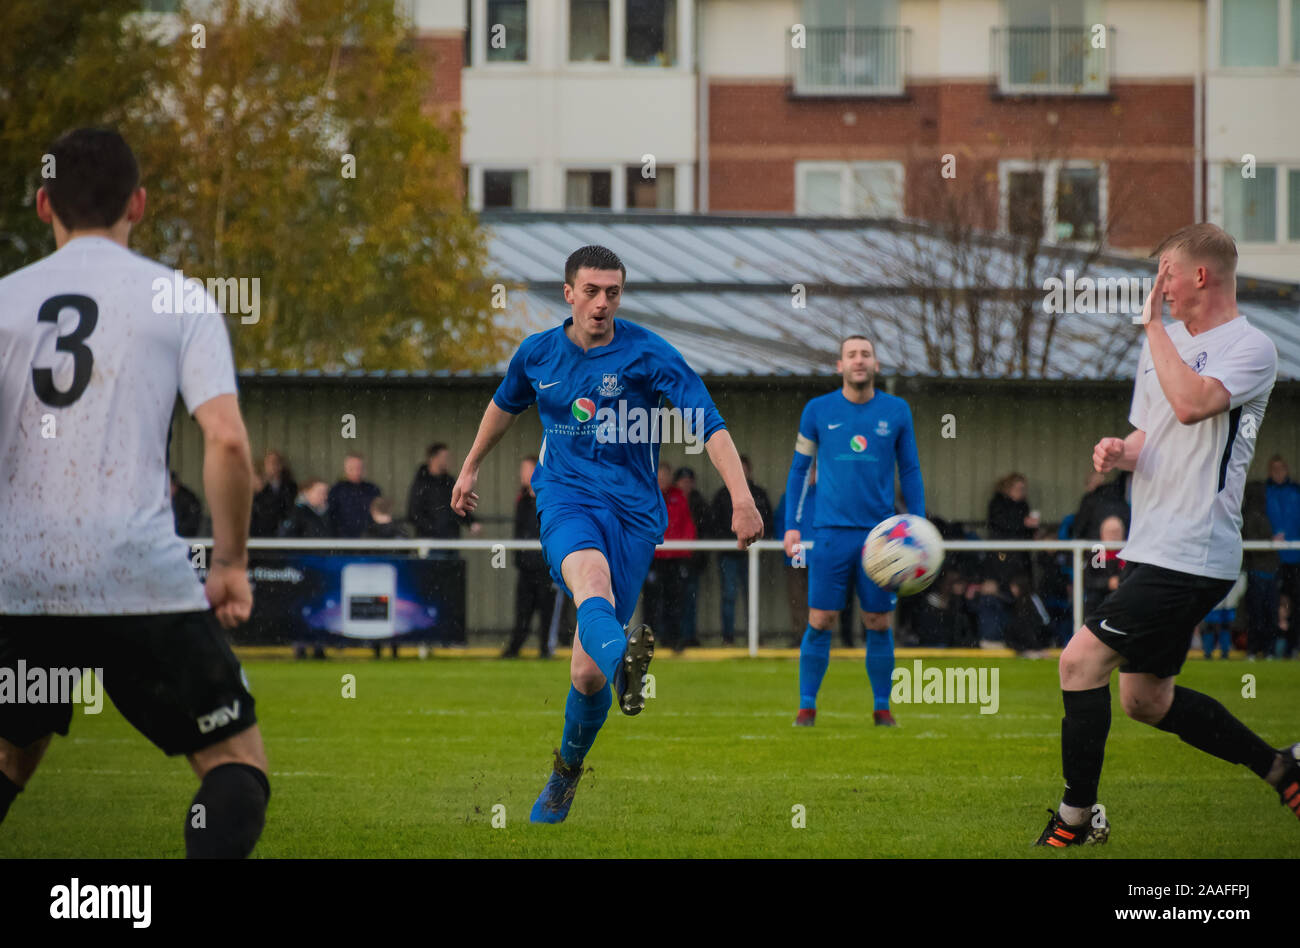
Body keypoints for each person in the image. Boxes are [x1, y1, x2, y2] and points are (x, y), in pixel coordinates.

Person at [0, 128, 269, 857]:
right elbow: (228, 440)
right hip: (137, 575)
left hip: (20, 584)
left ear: (43, 203)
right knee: (235, 767)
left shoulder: (5, 302)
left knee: (10, 755)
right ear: (140, 204)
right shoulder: (178, 299)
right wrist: (231, 564)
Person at [450, 245, 762, 823]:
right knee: (588, 577)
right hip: (566, 497)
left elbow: (709, 423)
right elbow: (503, 405)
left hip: (635, 516)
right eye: (591, 291)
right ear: (567, 293)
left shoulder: (648, 354)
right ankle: (627, 668)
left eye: (612, 292)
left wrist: (742, 498)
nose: (601, 303)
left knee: (584, 672)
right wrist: (469, 467)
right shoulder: (538, 353)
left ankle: (565, 774)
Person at [1036, 222, 1299, 848]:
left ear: (1199, 277)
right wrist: (1118, 451)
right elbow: (1153, 435)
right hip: (1153, 548)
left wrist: (1152, 325)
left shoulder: (1251, 347)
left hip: (1195, 550)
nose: (1161, 288)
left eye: (1166, 275)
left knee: (1079, 661)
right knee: (1146, 700)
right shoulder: (1163, 343)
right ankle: (1281, 767)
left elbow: (1191, 405)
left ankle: (1077, 818)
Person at [782, 335, 925, 728]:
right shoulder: (817, 410)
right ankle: (806, 708)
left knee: (878, 622)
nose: (859, 361)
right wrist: (791, 526)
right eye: (851, 355)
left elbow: (910, 470)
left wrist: (919, 522)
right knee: (821, 617)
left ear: (876, 365)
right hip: (829, 533)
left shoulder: (897, 411)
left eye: (865, 354)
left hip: (881, 538)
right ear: (839, 365)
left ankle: (882, 708)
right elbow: (798, 470)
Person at [712, 455, 773, 646]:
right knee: (729, 596)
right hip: (729, 556)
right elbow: (714, 525)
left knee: (751, 595)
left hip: (751, 555)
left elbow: (767, 522)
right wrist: (732, 538)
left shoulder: (759, 494)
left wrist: (758, 540)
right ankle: (728, 637)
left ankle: (753, 637)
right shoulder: (721, 496)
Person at [502, 456, 556, 659]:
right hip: (526, 567)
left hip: (545, 567)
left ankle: (545, 649)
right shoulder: (522, 500)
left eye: (526, 469)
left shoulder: (549, 498)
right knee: (522, 611)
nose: (522, 474)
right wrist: (519, 558)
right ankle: (514, 649)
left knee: (546, 611)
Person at [408, 442, 481, 556]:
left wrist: (471, 522)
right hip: (430, 544)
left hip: (452, 541)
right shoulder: (421, 483)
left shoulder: (449, 481)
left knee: (452, 571)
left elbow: (459, 504)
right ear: (433, 458)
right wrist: (434, 529)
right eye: (445, 457)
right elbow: (413, 513)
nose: (448, 460)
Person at [1265, 455, 1300, 656]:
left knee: (1294, 604)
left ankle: (1293, 646)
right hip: (1270, 559)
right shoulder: (1264, 493)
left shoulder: (1295, 491)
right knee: (1270, 605)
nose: (1278, 473)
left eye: (1281, 468)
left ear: (1286, 470)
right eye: (1274, 469)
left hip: (1295, 558)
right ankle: (1270, 649)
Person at [1242, 481, 1279, 660]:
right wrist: (1272, 542)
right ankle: (1256, 650)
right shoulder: (1252, 515)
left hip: (1267, 571)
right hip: (1258, 572)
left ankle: (1266, 650)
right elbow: (1252, 542)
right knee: (1259, 614)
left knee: (1266, 613)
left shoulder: (1261, 514)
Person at [673, 467, 707, 649]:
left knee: (689, 601)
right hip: (669, 561)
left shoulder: (699, 502)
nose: (686, 484)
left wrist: (698, 557)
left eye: (689, 480)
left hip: (692, 561)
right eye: (682, 480)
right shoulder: (668, 500)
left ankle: (687, 636)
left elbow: (704, 530)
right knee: (671, 601)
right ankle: (672, 637)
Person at [327, 453, 381, 538]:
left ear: (364, 469)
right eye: (352, 468)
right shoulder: (336, 490)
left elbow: (379, 514)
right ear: (345, 469)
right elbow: (330, 517)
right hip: (343, 540)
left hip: (368, 539)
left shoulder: (372, 489)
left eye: (359, 468)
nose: (356, 471)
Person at [251, 450, 297, 537]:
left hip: (282, 529)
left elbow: (290, 506)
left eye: (276, 463)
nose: (273, 466)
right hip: (261, 530)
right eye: (269, 463)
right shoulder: (258, 485)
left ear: (281, 465)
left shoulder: (289, 485)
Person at [170, 469, 204, 537]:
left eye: (171, 485)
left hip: (187, 537)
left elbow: (193, 521)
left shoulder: (188, 499)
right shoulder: (162, 498)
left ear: (176, 485)